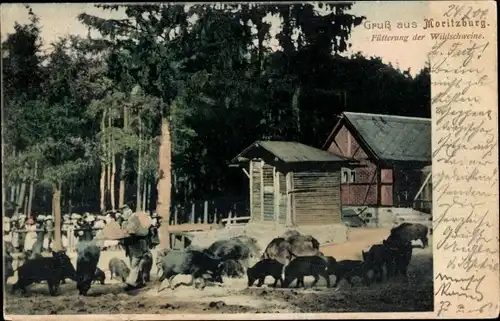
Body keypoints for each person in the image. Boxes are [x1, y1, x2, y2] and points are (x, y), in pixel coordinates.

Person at [120, 211, 152, 291]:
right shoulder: (140, 223)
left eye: (123, 214)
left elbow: (131, 233)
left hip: (136, 245)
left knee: (135, 265)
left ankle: (131, 283)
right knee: (137, 265)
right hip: (139, 245)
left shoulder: (133, 221)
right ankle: (140, 281)